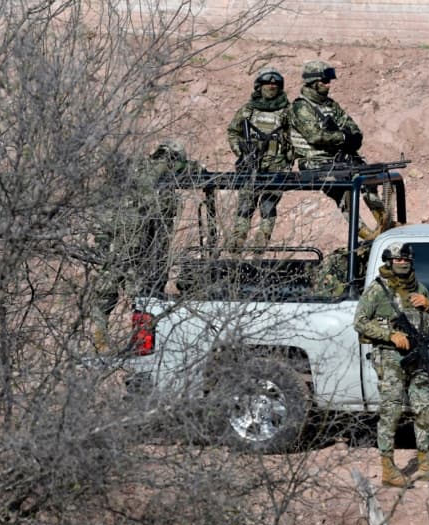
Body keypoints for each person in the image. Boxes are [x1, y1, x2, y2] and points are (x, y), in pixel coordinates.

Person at [353, 243, 429, 487]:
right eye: (397, 259)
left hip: (417, 357)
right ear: (389, 261)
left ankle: (426, 463)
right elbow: (360, 322)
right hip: (390, 358)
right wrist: (390, 336)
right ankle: (388, 469)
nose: (401, 262)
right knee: (392, 412)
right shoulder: (377, 290)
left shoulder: (419, 288)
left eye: (405, 259)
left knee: (424, 409)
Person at [91, 140, 203, 352]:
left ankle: (101, 335)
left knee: (109, 285)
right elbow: (195, 171)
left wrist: (102, 238)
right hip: (139, 239)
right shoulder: (169, 170)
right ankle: (137, 340)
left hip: (121, 236)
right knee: (141, 292)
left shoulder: (136, 168)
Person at [289, 60, 390, 241]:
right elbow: (315, 137)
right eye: (325, 81)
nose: (329, 84)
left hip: (338, 160)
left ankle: (384, 225)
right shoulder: (301, 107)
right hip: (315, 163)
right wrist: (343, 138)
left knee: (368, 178)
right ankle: (367, 234)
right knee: (345, 193)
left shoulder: (330, 105)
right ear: (313, 82)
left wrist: (351, 139)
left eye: (329, 81)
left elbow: (352, 128)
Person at [226, 67, 291, 251]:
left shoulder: (287, 111)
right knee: (246, 203)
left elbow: (296, 137)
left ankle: (263, 237)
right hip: (251, 164)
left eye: (275, 83)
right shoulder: (248, 111)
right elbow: (233, 132)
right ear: (259, 86)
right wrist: (241, 150)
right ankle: (238, 237)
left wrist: (289, 157)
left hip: (276, 166)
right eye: (267, 82)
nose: (271, 86)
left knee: (268, 203)